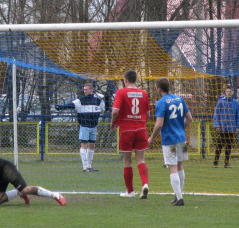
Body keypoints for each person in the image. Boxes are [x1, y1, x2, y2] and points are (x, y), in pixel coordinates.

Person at [148, 77, 193, 206]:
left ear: (158, 88)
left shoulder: (161, 102)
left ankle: (179, 198)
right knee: (180, 165)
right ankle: (178, 194)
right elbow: (189, 118)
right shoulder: (180, 99)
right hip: (182, 138)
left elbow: (159, 124)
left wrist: (151, 137)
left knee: (172, 167)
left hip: (170, 140)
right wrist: (181, 128)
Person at [110, 70, 150, 199]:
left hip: (126, 130)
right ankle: (145, 184)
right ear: (136, 80)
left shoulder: (121, 92)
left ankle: (130, 191)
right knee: (141, 159)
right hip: (141, 129)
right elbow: (148, 114)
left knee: (127, 161)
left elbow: (115, 111)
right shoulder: (143, 93)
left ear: (125, 80)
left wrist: (112, 123)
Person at [55, 83, 105, 172]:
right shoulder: (80, 100)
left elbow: (106, 108)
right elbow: (70, 105)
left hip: (94, 126)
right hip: (84, 126)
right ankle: (85, 167)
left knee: (92, 146)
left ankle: (89, 166)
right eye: (84, 89)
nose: (84, 91)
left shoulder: (98, 101)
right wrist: (61, 107)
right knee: (83, 145)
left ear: (91, 90)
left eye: (86, 89)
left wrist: (108, 97)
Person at [212, 85, 239, 168]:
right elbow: (216, 114)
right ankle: (215, 162)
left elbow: (238, 115)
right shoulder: (221, 102)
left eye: (230, 91)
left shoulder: (235, 103)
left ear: (233, 92)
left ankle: (226, 163)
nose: (229, 93)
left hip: (231, 128)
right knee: (219, 145)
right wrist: (217, 125)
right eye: (227, 91)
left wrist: (238, 126)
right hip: (223, 128)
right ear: (225, 92)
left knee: (229, 146)